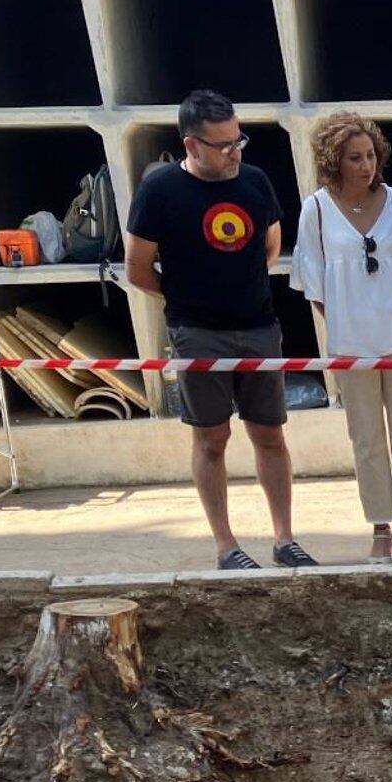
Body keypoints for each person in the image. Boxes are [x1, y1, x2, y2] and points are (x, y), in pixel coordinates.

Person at [124, 89, 316, 570]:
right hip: (197, 333)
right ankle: (226, 546)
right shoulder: (160, 190)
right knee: (211, 440)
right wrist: (186, 301)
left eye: (238, 140)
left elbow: (270, 245)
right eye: (223, 144)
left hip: (258, 326)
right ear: (192, 145)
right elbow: (138, 269)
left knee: (270, 434)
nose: (235, 152)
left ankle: (284, 539)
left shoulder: (254, 182)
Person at [291, 111, 392, 561]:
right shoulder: (315, 209)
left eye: (370, 155)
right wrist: (344, 323)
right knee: (366, 438)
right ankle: (380, 527)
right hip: (351, 345)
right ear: (334, 160)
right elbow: (313, 282)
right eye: (354, 157)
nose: (365, 165)